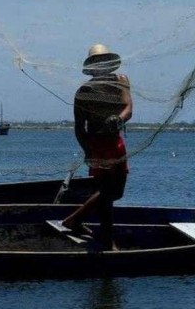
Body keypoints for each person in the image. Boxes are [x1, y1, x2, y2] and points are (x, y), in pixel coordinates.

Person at [61, 43, 132, 251]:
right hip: (97, 144)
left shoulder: (122, 81)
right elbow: (79, 127)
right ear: (93, 67)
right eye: (98, 63)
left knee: (114, 192)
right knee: (108, 192)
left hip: (115, 143)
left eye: (105, 62)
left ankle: (81, 223)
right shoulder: (84, 91)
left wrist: (117, 119)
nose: (102, 66)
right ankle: (102, 237)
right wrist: (87, 150)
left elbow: (128, 108)